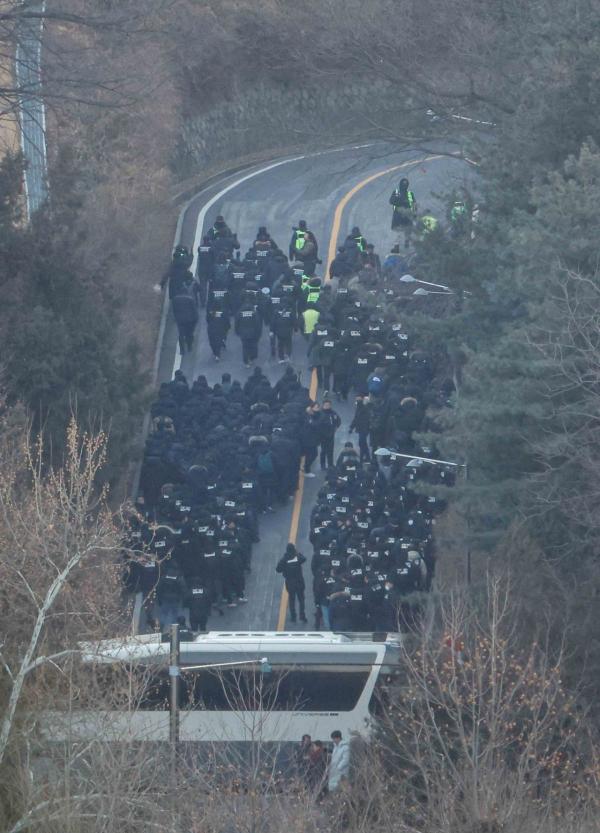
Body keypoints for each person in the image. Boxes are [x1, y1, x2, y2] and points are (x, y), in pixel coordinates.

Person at [276, 543, 307, 623]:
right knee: (301, 599)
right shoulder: (297, 557)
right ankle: (302, 615)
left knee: (292, 600)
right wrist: (297, 553)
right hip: (299, 581)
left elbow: (278, 569)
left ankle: (293, 616)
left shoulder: (284, 559)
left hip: (290, 583)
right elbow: (304, 558)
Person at [171, 278, 199, 356]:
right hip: (190, 320)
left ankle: (182, 350)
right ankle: (189, 346)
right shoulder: (190, 299)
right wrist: (196, 319)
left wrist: (176, 318)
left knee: (181, 335)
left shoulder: (175, 299)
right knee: (189, 334)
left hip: (180, 320)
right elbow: (194, 310)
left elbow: (174, 310)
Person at [389, 177, 417, 246]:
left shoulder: (410, 194)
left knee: (408, 230)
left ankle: (406, 242)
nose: (404, 186)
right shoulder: (396, 192)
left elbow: (414, 204)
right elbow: (391, 201)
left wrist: (414, 214)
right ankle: (397, 245)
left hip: (408, 216)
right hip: (398, 216)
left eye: (406, 184)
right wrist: (401, 202)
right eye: (403, 184)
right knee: (398, 232)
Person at [235, 300, 262, 367]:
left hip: (243, 333)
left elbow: (237, 323)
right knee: (253, 346)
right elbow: (257, 324)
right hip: (253, 333)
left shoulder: (240, 313)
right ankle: (252, 358)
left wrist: (237, 331)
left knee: (245, 347)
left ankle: (246, 361)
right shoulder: (254, 313)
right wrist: (259, 333)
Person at [319, 399, 341, 470]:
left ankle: (330, 464)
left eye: (328, 405)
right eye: (326, 405)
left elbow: (338, 420)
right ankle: (322, 465)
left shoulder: (333, 413)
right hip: (322, 435)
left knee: (330, 450)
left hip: (331, 435)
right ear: (323, 405)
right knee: (323, 450)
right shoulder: (320, 413)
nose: (327, 406)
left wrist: (336, 427)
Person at [349, 395, 372, 462]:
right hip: (362, 429)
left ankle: (363, 458)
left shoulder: (364, 409)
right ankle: (367, 457)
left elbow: (357, 418)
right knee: (363, 443)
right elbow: (356, 418)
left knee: (361, 443)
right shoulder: (360, 408)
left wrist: (352, 427)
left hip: (364, 429)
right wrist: (351, 427)